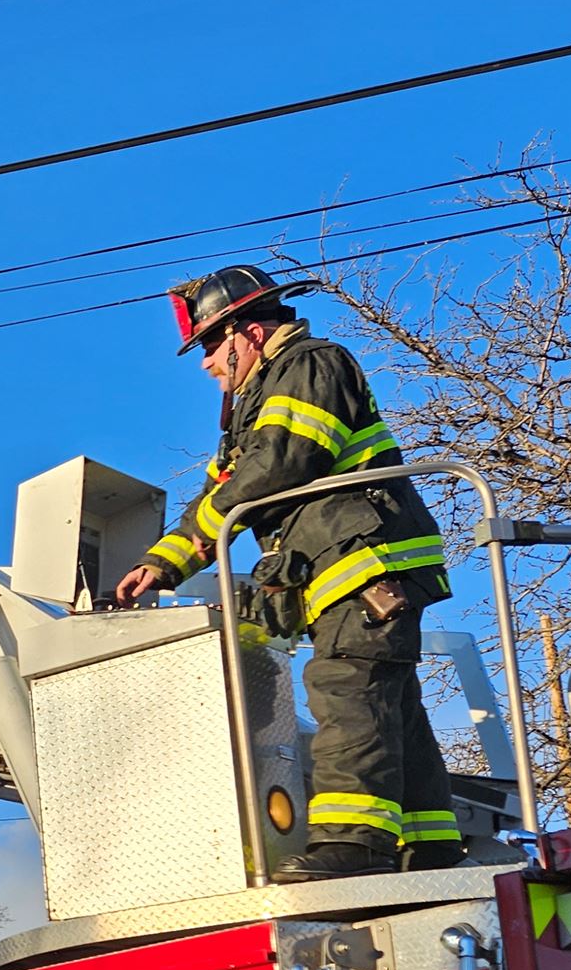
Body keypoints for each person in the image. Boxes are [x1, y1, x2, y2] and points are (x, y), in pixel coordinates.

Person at [114, 265, 464, 879]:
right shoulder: (258, 407)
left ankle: (352, 846)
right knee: (390, 707)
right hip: (349, 565)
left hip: (364, 562)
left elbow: (281, 464)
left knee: (346, 691)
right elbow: (223, 491)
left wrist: (212, 525)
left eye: (210, 347)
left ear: (248, 331)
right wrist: (160, 565)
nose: (206, 366)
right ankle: (429, 843)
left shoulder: (309, 365)